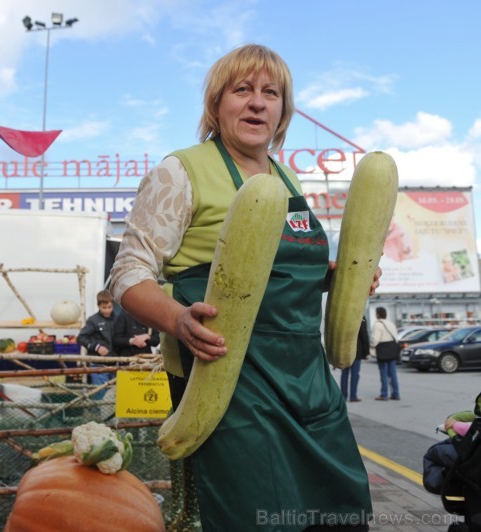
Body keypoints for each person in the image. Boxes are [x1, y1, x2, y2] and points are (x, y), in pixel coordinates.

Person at [110, 43, 374, 531]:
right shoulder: (182, 170)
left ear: (283, 111)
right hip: (230, 385)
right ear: (217, 104)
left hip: (308, 382)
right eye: (243, 90)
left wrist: (340, 278)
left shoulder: (287, 179)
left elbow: (283, 279)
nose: (258, 102)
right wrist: (177, 319)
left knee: (341, 514)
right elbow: (128, 274)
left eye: (270, 93)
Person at [77, 289, 117, 396]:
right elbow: (81, 337)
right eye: (104, 308)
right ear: (98, 306)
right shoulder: (93, 320)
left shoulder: (117, 319)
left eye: (110, 307)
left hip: (115, 365)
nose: (107, 310)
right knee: (100, 395)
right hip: (98, 366)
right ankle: (95, 412)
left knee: (114, 398)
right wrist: (97, 347)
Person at [370, 306, 400, 401]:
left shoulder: (377, 325)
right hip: (392, 349)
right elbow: (396, 337)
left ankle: (384, 394)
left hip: (382, 350)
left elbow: (375, 339)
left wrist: (371, 346)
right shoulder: (391, 323)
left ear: (378, 314)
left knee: (384, 373)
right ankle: (396, 393)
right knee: (393, 374)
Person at [340, 317, 370, 402]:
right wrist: (366, 351)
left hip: (344, 350)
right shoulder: (360, 317)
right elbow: (364, 335)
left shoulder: (344, 318)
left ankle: (343, 396)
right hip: (357, 350)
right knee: (355, 374)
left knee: (344, 374)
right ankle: (353, 396)